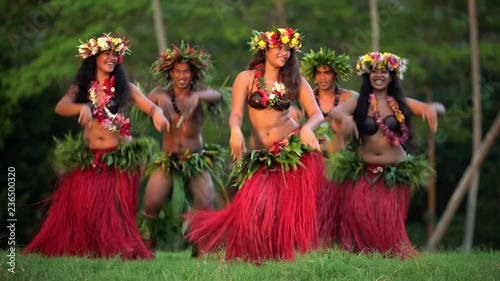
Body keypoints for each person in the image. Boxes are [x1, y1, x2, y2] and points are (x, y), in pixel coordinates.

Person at [22, 33, 169, 260]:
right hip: (91, 155)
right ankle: (91, 248)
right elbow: (61, 107)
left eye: (114, 54)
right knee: (88, 207)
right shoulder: (81, 87)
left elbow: (150, 107)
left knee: (115, 209)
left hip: (119, 156)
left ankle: (118, 248)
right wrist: (81, 108)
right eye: (106, 54)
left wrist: (158, 113)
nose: (111, 58)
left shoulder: (124, 87)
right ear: (94, 58)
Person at [185, 27, 325, 263]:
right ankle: (255, 254)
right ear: (265, 49)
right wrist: (235, 131)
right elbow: (237, 114)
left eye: (288, 49)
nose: (284, 53)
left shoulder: (294, 80)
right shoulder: (246, 78)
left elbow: (316, 114)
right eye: (279, 48)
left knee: (284, 212)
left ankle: (282, 260)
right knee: (253, 208)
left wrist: (308, 129)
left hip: (291, 151)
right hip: (261, 155)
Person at [330, 51, 445, 259]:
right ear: (368, 76)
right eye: (373, 71)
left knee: (387, 223)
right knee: (361, 216)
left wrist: (432, 108)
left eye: (383, 71)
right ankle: (365, 256)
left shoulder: (399, 103)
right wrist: (345, 119)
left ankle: (390, 257)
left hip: (394, 174)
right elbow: (335, 112)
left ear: (392, 76)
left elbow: (439, 107)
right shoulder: (360, 103)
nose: (378, 75)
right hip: (365, 172)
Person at [138, 42, 226, 255]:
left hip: (195, 158)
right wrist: (159, 100)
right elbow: (142, 100)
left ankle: (200, 244)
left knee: (205, 200)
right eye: (178, 71)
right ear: (171, 72)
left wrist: (197, 97)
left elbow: (217, 94)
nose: (182, 75)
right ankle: (146, 248)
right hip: (168, 158)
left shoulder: (201, 93)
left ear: (193, 73)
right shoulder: (161, 93)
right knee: (151, 203)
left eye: (186, 71)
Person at [299, 47, 359, 248]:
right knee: (318, 213)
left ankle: (347, 251)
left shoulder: (349, 98)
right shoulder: (306, 100)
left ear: (336, 74)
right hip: (315, 165)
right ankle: (317, 252)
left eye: (327, 72)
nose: (322, 77)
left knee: (345, 215)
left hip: (341, 167)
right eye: (319, 73)